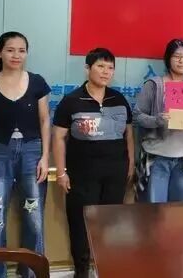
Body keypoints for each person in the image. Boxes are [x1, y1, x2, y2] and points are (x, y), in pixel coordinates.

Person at [0, 31, 51, 278]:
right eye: (10, 50)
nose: (16, 55)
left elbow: (45, 120)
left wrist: (45, 157)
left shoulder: (37, 82)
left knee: (34, 219)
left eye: (21, 50)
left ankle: (31, 272)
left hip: (32, 152)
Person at [52, 48, 134, 278]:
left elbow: (129, 134)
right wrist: (61, 172)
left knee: (110, 225)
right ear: (88, 68)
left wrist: (130, 164)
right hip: (82, 174)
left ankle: (106, 269)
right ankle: (82, 271)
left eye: (110, 68)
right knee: (80, 224)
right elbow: (58, 137)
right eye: (100, 66)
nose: (106, 72)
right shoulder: (71, 101)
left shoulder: (119, 99)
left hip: (115, 173)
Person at [133, 38, 183, 203]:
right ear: (168, 59)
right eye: (177, 56)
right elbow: (137, 116)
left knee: (181, 213)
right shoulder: (154, 85)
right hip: (156, 157)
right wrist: (157, 120)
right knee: (154, 210)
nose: (182, 60)